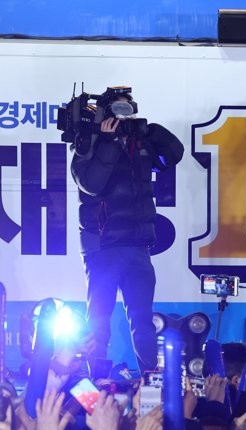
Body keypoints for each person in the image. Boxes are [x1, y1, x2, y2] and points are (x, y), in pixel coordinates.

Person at [70, 86, 184, 373]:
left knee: (142, 319)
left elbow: (174, 154)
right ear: (106, 115)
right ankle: (95, 378)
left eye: (128, 109)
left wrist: (149, 131)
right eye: (118, 110)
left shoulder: (139, 145)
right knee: (98, 320)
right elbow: (91, 184)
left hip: (138, 246)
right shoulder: (88, 144)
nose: (124, 116)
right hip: (103, 247)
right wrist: (108, 142)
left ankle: (150, 378)